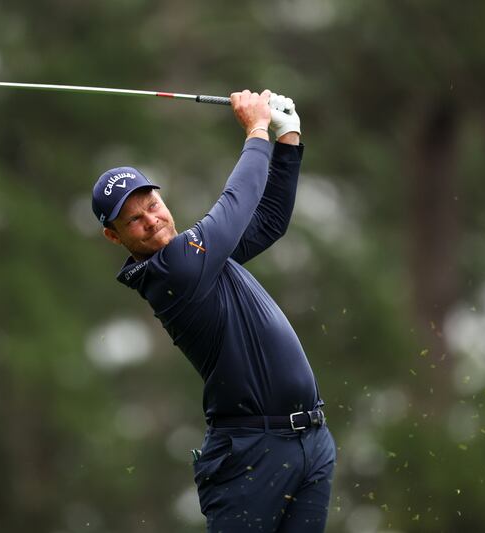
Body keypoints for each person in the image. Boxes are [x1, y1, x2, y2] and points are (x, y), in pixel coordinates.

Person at [91, 89, 336, 532]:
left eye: (152, 205)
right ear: (115, 237)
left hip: (310, 442)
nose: (152, 220)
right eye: (134, 220)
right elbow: (237, 203)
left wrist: (288, 139)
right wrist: (257, 130)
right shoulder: (172, 270)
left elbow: (269, 220)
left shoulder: (203, 256)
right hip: (249, 456)